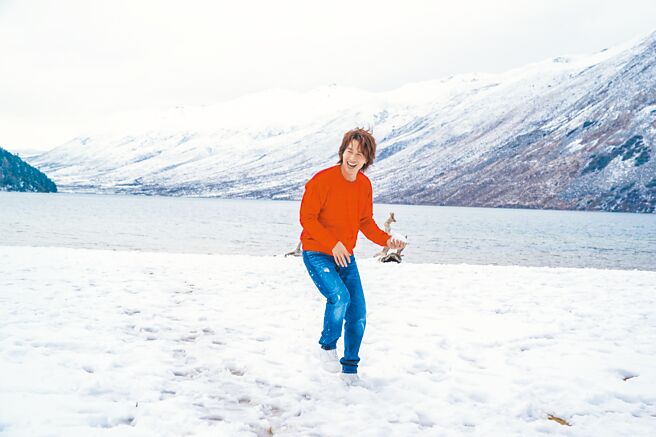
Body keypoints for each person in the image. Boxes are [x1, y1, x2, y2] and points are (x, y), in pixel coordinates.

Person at [299, 127, 406, 384]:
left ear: (367, 159)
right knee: (339, 297)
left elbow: (365, 222)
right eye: (349, 151)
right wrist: (332, 243)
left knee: (358, 313)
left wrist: (387, 240)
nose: (353, 157)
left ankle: (350, 371)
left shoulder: (364, 185)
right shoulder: (322, 180)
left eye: (359, 153)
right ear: (342, 152)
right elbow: (307, 218)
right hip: (317, 252)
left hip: (344, 255)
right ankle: (327, 346)